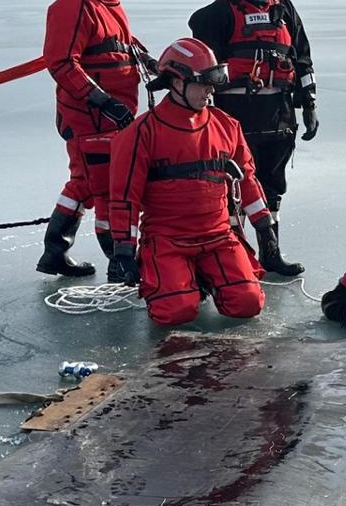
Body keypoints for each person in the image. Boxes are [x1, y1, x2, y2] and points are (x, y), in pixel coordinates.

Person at [106, 38, 271, 326]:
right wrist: (123, 248)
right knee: (176, 311)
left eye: (212, 83)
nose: (209, 91)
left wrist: (264, 225)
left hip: (218, 236)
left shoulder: (226, 126)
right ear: (176, 83)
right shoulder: (141, 133)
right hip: (167, 238)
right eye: (202, 83)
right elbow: (124, 197)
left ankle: (201, 276)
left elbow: (247, 180)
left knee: (247, 303)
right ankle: (182, 281)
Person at [187, 0, 318, 277]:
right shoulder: (218, 14)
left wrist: (310, 105)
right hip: (236, 121)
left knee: (272, 189)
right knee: (232, 192)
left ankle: (270, 254)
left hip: (279, 118)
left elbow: (302, 61)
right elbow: (199, 68)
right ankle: (230, 259)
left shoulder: (286, 11)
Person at [35, 0, 154, 282]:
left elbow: (123, 44)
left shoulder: (108, 1)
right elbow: (60, 63)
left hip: (115, 115)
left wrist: (152, 63)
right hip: (89, 118)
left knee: (85, 184)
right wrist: (102, 101)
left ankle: (55, 251)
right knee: (104, 187)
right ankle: (119, 260)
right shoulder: (72, 4)